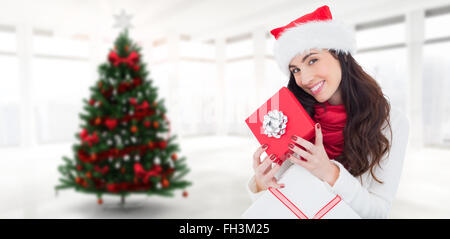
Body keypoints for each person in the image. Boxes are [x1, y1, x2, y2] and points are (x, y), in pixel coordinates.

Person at [247, 5, 410, 219]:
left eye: (312, 60)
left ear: (340, 55)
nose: (304, 79)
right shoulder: (294, 114)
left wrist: (329, 173)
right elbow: (276, 204)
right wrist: (261, 184)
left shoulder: (391, 122)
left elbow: (378, 213)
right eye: (295, 70)